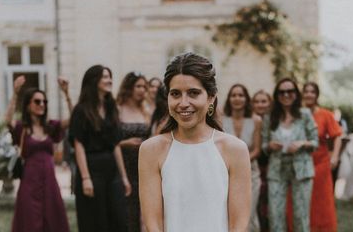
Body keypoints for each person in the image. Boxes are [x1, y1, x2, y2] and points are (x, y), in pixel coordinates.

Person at [139, 52, 251, 232]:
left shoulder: (235, 149)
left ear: (211, 98)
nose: (183, 103)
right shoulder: (150, 150)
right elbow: (153, 223)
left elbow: (238, 224)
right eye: (175, 94)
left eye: (193, 93)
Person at [5, 75, 72, 232]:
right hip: (29, 181)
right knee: (30, 220)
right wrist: (15, 93)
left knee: (53, 219)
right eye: (37, 101)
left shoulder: (51, 126)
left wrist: (67, 94)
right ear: (28, 105)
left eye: (44, 101)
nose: (41, 104)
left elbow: (73, 119)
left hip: (49, 180)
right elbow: (8, 121)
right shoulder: (22, 128)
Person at [69, 65, 131, 232]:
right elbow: (78, 144)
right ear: (93, 80)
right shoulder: (81, 110)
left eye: (110, 76)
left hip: (112, 170)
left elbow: (116, 144)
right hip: (91, 168)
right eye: (104, 76)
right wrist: (85, 178)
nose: (109, 80)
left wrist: (123, 177)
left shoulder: (111, 108)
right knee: (96, 221)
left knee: (119, 218)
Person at [262, 78, 318, 232]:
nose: (286, 95)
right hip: (276, 169)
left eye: (290, 91)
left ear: (296, 94)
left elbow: (315, 142)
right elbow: (264, 145)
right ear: (277, 95)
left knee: (301, 215)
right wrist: (270, 146)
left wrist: (302, 144)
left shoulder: (305, 114)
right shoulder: (270, 116)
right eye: (281, 92)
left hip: (302, 170)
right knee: (275, 214)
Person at [301, 82, 342, 232]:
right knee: (303, 200)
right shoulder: (297, 114)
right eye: (306, 91)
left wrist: (335, 156)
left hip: (321, 163)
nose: (309, 95)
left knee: (322, 201)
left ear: (317, 95)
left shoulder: (325, 114)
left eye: (312, 92)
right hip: (301, 163)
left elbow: (337, 136)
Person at [222, 84, 263, 232]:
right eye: (234, 95)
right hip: (226, 174)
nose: (237, 98)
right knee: (229, 215)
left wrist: (240, 162)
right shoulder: (221, 120)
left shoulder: (256, 120)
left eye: (241, 95)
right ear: (229, 99)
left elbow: (257, 149)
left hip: (251, 173)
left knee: (249, 215)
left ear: (246, 99)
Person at [117, 72, 151, 232]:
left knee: (145, 210)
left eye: (144, 86)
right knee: (127, 210)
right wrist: (125, 143)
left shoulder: (146, 111)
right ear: (129, 87)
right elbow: (109, 142)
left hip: (144, 165)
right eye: (138, 86)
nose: (142, 90)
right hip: (123, 165)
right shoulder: (118, 110)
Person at [252, 90, 273, 232]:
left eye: (263, 101)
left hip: (270, 168)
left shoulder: (274, 121)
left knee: (268, 205)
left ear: (269, 103)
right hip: (252, 166)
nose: (260, 104)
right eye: (257, 101)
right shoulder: (250, 120)